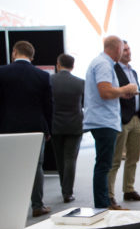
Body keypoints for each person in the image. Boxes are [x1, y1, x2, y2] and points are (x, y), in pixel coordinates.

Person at [83, 36, 138, 209]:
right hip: (103, 121)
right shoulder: (104, 64)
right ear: (117, 49)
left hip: (103, 120)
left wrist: (121, 93)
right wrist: (126, 89)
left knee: (104, 163)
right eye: (123, 49)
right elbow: (105, 92)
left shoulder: (102, 63)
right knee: (104, 165)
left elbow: (107, 91)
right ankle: (103, 204)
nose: (124, 52)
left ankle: (105, 201)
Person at [0, 40, 53, 217]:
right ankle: (37, 205)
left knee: (8, 166)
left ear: (14, 52)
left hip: (7, 127)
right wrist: (48, 129)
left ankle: (9, 206)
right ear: (32, 56)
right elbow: (48, 106)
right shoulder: (42, 76)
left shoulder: (2, 73)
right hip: (35, 127)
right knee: (36, 166)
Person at [107, 41, 140, 208]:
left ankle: (129, 189)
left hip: (136, 118)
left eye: (129, 49)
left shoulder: (134, 72)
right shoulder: (113, 71)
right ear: (118, 52)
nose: (128, 52)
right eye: (124, 50)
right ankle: (109, 195)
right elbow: (112, 92)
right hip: (121, 118)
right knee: (116, 159)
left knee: (134, 157)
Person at [50, 53, 84, 203]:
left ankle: (63, 186)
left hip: (55, 125)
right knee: (70, 158)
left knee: (59, 158)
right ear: (73, 66)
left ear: (58, 64)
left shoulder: (49, 81)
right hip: (75, 125)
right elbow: (85, 104)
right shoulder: (80, 82)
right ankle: (67, 192)